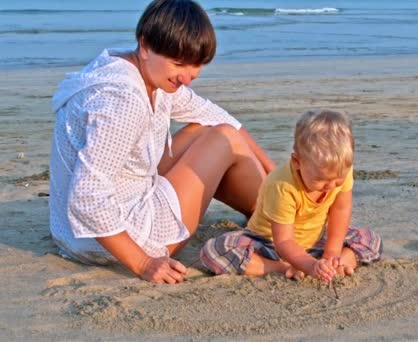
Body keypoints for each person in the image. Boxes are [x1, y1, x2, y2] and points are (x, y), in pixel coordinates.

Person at [49, 0, 275, 284]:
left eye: (197, 65)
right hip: (118, 242)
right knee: (224, 137)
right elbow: (86, 198)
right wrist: (143, 263)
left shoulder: (137, 69)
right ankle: (281, 216)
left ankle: (280, 197)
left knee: (208, 129)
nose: (187, 77)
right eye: (179, 64)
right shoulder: (122, 101)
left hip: (72, 234)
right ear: (144, 46)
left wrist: (275, 169)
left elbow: (212, 114)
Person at [200, 110, 382, 283]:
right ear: (297, 162)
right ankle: (281, 267)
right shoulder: (282, 185)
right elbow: (284, 240)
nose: (330, 186)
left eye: (338, 179)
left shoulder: (340, 169)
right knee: (215, 251)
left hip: (316, 241)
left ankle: (340, 262)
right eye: (320, 179)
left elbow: (341, 209)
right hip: (270, 244)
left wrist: (331, 253)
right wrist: (309, 265)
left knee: (369, 238)